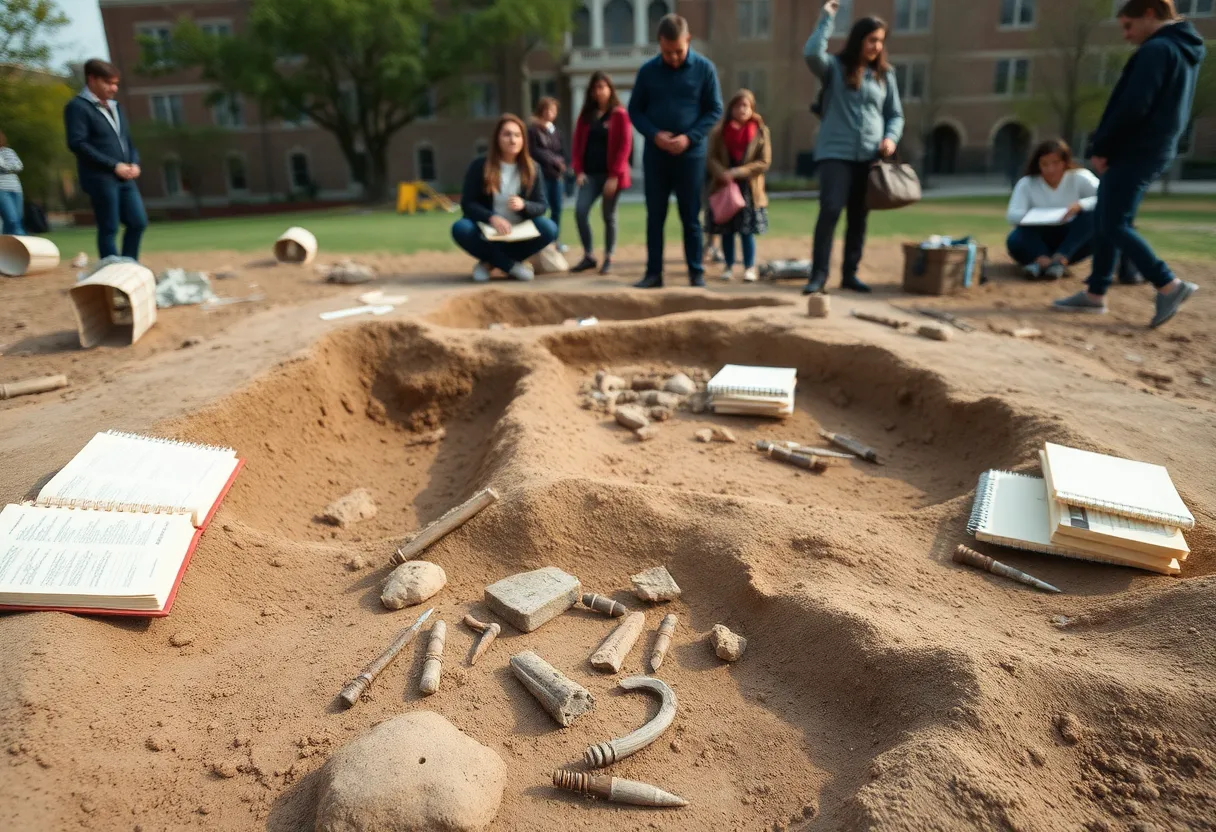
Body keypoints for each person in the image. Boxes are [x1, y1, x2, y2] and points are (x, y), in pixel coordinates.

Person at [1053, 0, 1204, 328]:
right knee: (1108, 218)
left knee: (1113, 223)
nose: (1125, 35)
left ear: (1149, 14)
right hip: (1151, 148)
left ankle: (1168, 284)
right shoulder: (1181, 50)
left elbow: (1133, 106)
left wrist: (1103, 146)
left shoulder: (1158, 50)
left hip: (1135, 150)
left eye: (1128, 26)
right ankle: (1095, 294)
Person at [802, 0, 904, 295]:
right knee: (831, 209)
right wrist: (826, 18)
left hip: (870, 155)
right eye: (872, 40)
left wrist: (890, 138)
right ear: (859, 39)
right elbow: (810, 53)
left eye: (880, 41)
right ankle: (818, 276)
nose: (876, 46)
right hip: (835, 153)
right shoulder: (834, 68)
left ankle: (850, 274)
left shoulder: (885, 75)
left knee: (859, 215)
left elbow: (895, 114)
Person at [628, 14, 724, 289]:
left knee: (690, 217)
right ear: (659, 43)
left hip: (690, 156)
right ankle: (653, 274)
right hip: (656, 156)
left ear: (688, 40)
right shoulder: (647, 72)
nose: (673, 57)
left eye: (678, 51)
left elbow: (714, 109)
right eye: (667, 52)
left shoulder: (705, 69)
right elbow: (635, 111)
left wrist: (689, 137)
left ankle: (696, 274)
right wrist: (654, 134)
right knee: (655, 216)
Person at [451, 113, 557, 283]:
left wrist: (524, 205)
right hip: (488, 230)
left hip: (519, 231)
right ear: (497, 138)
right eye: (507, 134)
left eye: (517, 135)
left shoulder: (533, 167)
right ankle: (510, 266)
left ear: (523, 139)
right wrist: (491, 217)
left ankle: (489, 263)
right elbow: (468, 203)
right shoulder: (480, 165)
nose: (512, 140)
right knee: (460, 228)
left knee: (549, 228)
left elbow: (542, 205)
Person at [64, 58, 147, 260]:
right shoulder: (78, 107)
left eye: (116, 83)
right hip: (100, 177)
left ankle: (128, 265)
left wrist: (134, 163)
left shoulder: (116, 107)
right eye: (108, 83)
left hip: (125, 176)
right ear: (92, 79)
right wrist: (113, 165)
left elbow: (126, 140)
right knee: (109, 226)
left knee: (138, 222)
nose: (114, 88)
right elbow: (77, 143)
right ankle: (110, 272)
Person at [1005, 139, 1099, 281]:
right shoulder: (1027, 183)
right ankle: (1041, 260)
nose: (1050, 170)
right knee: (1015, 238)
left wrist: (1081, 205)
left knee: (1093, 218)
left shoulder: (1079, 177)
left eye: (1056, 163)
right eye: (1045, 164)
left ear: (1065, 162)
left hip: (1071, 239)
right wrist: (1033, 216)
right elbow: (1012, 215)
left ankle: (1060, 258)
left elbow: (1106, 197)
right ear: (1038, 164)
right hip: (1038, 236)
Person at [570, 72, 633, 276]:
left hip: (611, 177)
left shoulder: (619, 114)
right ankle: (589, 255)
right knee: (580, 211)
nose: (598, 91)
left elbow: (625, 147)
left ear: (610, 89)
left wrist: (614, 176)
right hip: (589, 175)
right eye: (595, 88)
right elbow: (577, 145)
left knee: (608, 216)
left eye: (602, 87)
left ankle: (609, 256)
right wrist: (578, 171)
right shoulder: (586, 116)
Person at [706, 89, 771, 282]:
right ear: (731, 108)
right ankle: (728, 265)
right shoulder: (719, 131)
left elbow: (764, 162)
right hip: (725, 187)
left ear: (752, 109)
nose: (742, 110)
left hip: (749, 188)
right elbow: (710, 158)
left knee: (746, 231)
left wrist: (738, 172)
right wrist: (723, 173)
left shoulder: (760, 131)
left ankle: (749, 266)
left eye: (746, 106)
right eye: (738, 105)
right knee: (726, 230)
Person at [527, 97, 568, 253]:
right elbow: (534, 151)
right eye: (548, 109)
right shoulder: (533, 130)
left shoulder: (556, 131)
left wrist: (561, 163)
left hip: (556, 176)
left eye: (553, 110)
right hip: (541, 176)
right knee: (541, 208)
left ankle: (555, 240)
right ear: (541, 110)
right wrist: (554, 160)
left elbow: (562, 152)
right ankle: (539, 241)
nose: (551, 113)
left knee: (557, 208)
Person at [0, 131, 25, 235]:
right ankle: (23, 243)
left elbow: (19, 166)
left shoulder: (8, 152)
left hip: (16, 188)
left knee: (17, 219)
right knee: (12, 219)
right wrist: (8, 167)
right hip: (1, 189)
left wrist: (4, 166)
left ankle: (7, 247)